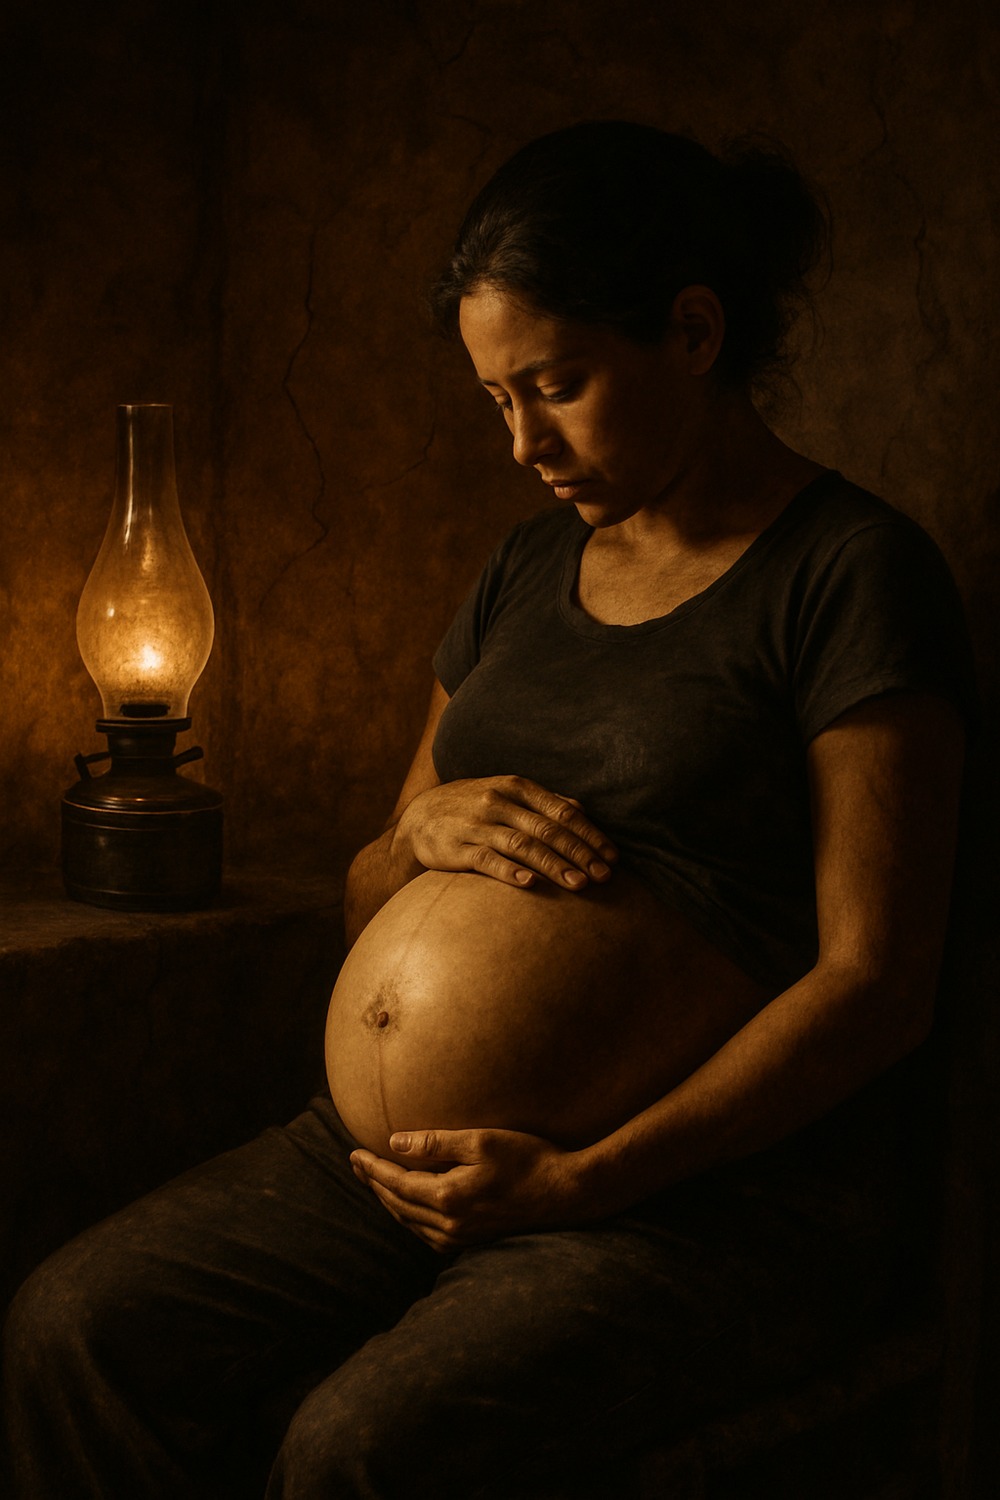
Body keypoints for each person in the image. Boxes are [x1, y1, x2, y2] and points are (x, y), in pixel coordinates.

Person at [1, 121, 976, 1498]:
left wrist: (587, 1182)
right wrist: (413, 839)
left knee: (360, 1449)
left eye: (558, 386)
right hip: (390, 1163)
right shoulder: (524, 572)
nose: (522, 442)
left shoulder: (851, 574)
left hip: (697, 1206)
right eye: (495, 400)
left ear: (692, 331)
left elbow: (878, 983)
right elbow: (367, 895)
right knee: (68, 1330)